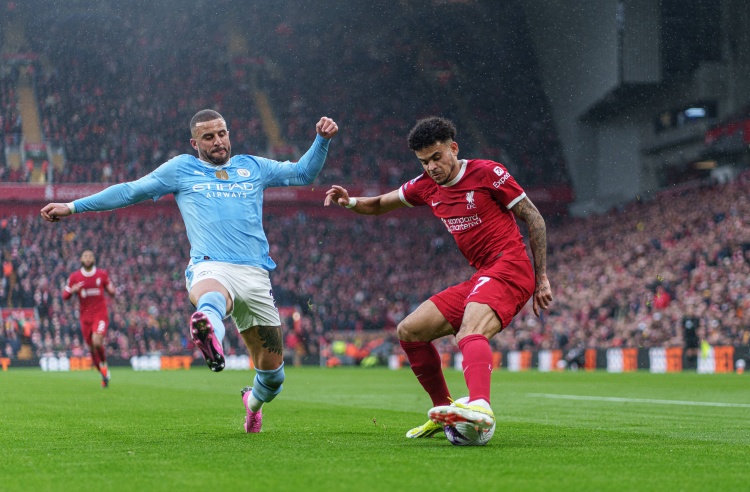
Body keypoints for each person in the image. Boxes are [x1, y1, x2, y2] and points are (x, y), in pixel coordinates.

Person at [42, 109, 338, 433]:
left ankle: (252, 404)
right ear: (195, 143)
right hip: (210, 264)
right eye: (208, 137)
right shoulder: (182, 168)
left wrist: (321, 140)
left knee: (273, 376)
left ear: (228, 133)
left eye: (222, 133)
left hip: (255, 273)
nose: (218, 141)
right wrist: (72, 206)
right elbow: (130, 190)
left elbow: (303, 173)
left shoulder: (252, 167)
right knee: (213, 298)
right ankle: (210, 336)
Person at [325, 116, 552, 442]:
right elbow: (379, 204)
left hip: (510, 267)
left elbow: (534, 217)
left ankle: (481, 407)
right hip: (483, 275)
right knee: (410, 331)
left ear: (453, 149)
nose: (431, 167)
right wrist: (349, 202)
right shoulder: (425, 186)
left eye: (436, 157)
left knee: (470, 330)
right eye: (424, 161)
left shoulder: (487, 172)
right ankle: (443, 410)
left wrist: (541, 278)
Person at [62, 250, 116, 388]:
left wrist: (112, 291)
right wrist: (72, 290)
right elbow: (65, 296)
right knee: (92, 348)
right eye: (85, 256)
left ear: (94, 259)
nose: (88, 258)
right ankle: (103, 374)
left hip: (100, 314)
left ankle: (104, 364)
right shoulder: (75, 277)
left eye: (90, 256)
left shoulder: (102, 274)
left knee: (97, 341)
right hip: (85, 317)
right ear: (81, 259)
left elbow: (112, 290)